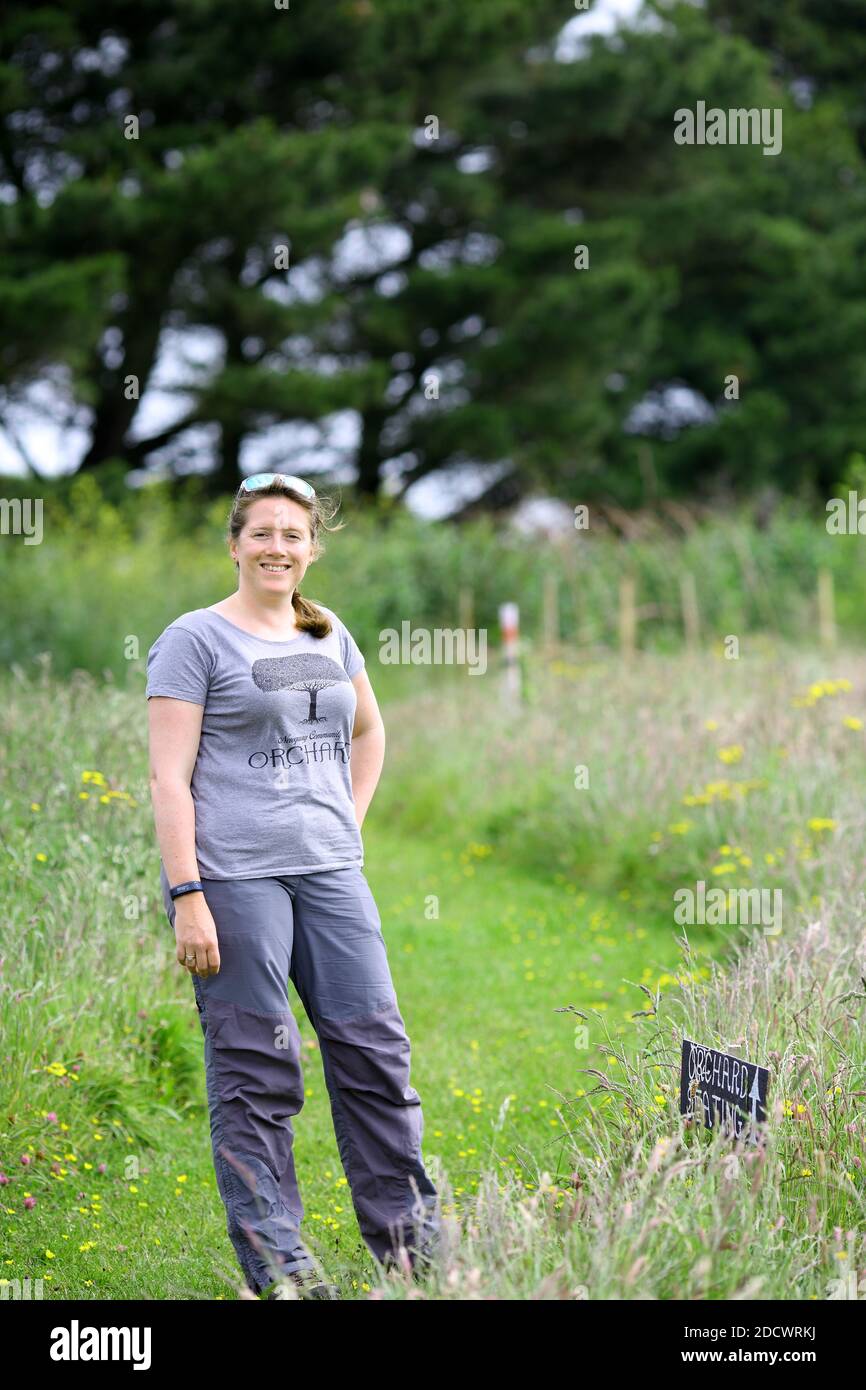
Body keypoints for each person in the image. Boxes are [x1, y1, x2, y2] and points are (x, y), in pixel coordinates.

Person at [145, 472, 441, 1299]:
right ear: (235, 543)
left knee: (376, 1054)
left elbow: (371, 729)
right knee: (256, 1070)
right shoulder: (193, 640)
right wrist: (187, 895)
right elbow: (169, 779)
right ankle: (284, 1273)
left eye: (294, 535)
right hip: (234, 880)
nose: (278, 547)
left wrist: (344, 820)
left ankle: (415, 1254)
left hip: (332, 874)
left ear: (313, 548)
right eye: (263, 533)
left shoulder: (328, 631)